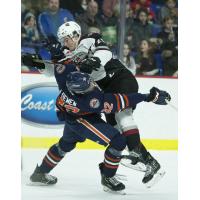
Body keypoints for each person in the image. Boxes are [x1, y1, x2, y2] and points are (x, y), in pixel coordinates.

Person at [37, 21, 168, 187]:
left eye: (66, 39)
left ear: (76, 35)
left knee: (123, 116)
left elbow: (104, 53)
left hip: (120, 79)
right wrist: (39, 63)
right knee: (117, 132)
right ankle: (147, 162)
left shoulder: (88, 39)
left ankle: (136, 155)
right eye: (62, 40)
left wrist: (93, 60)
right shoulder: (67, 53)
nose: (65, 43)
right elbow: (54, 70)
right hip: (103, 91)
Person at [29, 70, 170, 192]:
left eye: (90, 81)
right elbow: (122, 100)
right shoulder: (91, 100)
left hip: (72, 117)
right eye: (88, 85)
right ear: (80, 92)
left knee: (66, 144)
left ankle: (40, 173)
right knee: (118, 141)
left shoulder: (67, 83)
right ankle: (108, 178)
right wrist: (149, 97)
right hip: (83, 120)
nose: (92, 85)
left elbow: (60, 106)